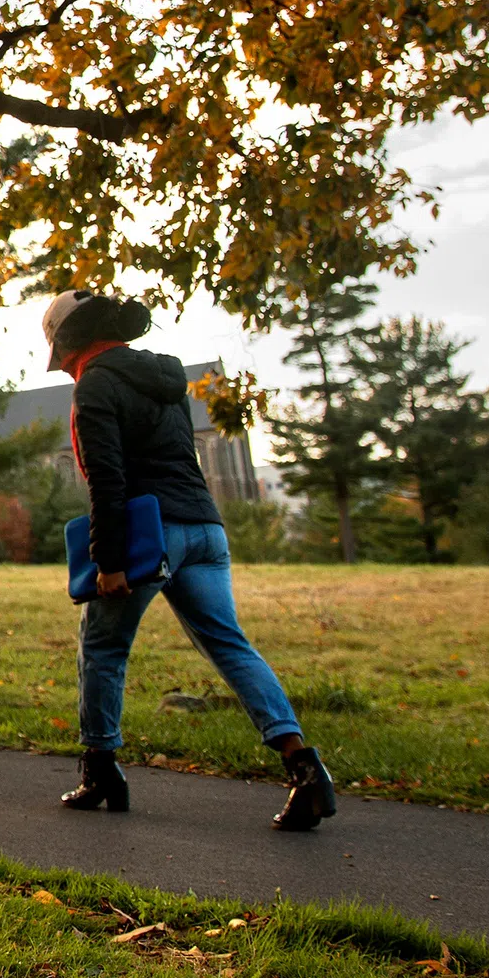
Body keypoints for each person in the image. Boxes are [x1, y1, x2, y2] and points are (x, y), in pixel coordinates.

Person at [43, 289, 340, 832]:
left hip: (146, 533)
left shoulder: (95, 385)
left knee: (103, 647)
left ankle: (101, 769)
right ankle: (304, 767)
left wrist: (108, 562)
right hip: (205, 527)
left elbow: (107, 478)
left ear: (71, 344)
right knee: (230, 645)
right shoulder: (167, 378)